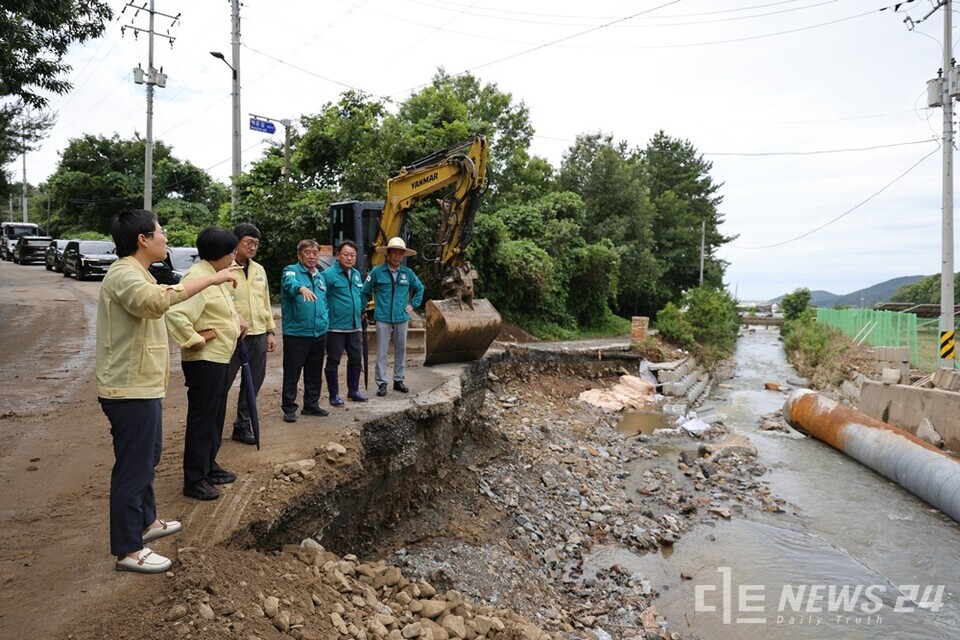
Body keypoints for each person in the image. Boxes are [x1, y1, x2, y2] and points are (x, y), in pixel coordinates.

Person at [96, 209, 239, 573]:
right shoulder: (124, 273)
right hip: (128, 389)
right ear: (143, 239)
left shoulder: (139, 272)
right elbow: (156, 302)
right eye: (161, 232)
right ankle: (128, 549)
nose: (166, 238)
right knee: (133, 468)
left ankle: (145, 522)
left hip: (142, 387)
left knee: (149, 458)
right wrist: (210, 281)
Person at [166, 227, 246, 501]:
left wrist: (237, 320)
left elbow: (219, 310)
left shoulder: (215, 276)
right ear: (219, 254)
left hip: (221, 357)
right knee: (202, 419)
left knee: (215, 416)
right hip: (205, 360)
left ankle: (209, 466)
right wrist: (193, 339)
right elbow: (176, 313)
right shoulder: (197, 278)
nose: (234, 257)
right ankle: (194, 479)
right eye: (232, 252)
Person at [225, 223, 277, 444]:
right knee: (223, 382)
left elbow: (264, 301)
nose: (253, 247)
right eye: (249, 242)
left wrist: (270, 331)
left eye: (256, 243)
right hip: (232, 337)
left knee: (253, 382)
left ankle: (242, 425)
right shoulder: (225, 268)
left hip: (257, 335)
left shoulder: (259, 269)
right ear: (236, 242)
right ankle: (212, 425)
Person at [361, 237, 424, 396]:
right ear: (388, 254)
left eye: (400, 254)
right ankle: (381, 382)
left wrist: (413, 305)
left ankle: (398, 380)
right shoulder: (377, 272)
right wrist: (362, 310)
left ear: (403, 256)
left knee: (401, 349)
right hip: (382, 317)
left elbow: (420, 288)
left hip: (402, 317)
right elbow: (364, 292)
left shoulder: (408, 273)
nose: (397, 256)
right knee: (381, 351)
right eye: (394, 253)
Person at [280, 239, 330, 423]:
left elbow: (324, 301)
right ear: (299, 255)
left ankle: (311, 405)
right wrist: (301, 288)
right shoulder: (291, 271)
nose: (311, 256)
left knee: (314, 371)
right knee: (292, 372)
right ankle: (289, 408)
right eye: (307, 252)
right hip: (297, 333)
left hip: (319, 333)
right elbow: (289, 283)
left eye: (315, 252)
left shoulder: (320, 275)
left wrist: (325, 319)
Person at [321, 240, 367, 405]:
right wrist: (327, 316)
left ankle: (353, 391)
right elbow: (321, 299)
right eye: (346, 255)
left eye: (352, 255)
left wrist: (361, 312)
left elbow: (359, 295)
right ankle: (334, 395)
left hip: (354, 326)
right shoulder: (328, 275)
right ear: (338, 255)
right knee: (333, 360)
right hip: (335, 328)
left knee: (356, 358)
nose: (349, 258)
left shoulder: (356, 274)